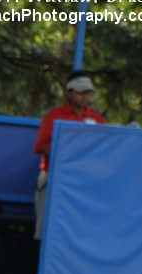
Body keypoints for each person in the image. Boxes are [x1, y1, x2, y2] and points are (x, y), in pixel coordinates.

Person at [33, 70, 105, 239]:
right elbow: (40, 146)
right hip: (53, 177)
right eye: (80, 92)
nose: (84, 97)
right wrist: (68, 153)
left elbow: (103, 150)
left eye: (87, 93)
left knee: (77, 232)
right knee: (45, 229)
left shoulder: (97, 119)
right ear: (69, 92)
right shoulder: (54, 116)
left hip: (84, 182)